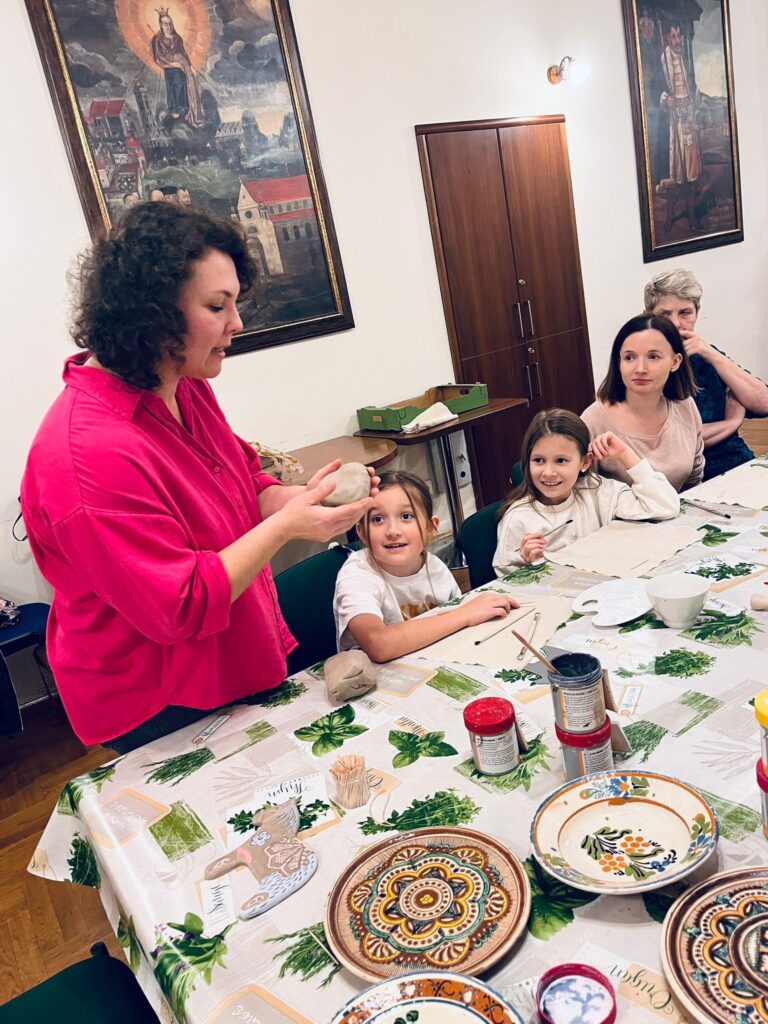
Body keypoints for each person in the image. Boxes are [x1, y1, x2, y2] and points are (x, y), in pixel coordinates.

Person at [21, 202, 375, 753]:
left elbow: (244, 482)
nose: (237, 323)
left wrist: (304, 499)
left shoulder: (181, 382)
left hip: (231, 655)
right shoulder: (87, 454)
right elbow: (179, 605)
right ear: (152, 314)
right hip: (158, 698)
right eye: (217, 306)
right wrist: (288, 527)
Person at [334, 471, 516, 662]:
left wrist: (466, 615)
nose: (393, 531)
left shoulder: (434, 566)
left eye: (406, 516)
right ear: (362, 532)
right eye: (378, 519)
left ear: (430, 527)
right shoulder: (357, 574)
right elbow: (378, 644)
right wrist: (464, 614)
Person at [493, 409, 679, 573]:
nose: (548, 472)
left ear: (585, 462)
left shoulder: (595, 490)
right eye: (539, 460)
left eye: (561, 461)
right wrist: (531, 564)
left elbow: (664, 506)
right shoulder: (518, 518)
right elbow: (505, 577)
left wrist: (625, 454)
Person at [645, 268, 768, 479]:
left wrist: (711, 354)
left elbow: (763, 403)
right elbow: (675, 441)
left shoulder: (706, 355)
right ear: (649, 317)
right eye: (665, 314)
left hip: (738, 462)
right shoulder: (643, 368)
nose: (676, 323)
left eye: (685, 313)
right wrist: (731, 423)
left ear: (697, 314)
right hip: (685, 477)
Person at [582, 314, 703, 491]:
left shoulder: (685, 406)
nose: (640, 369)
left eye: (653, 357)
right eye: (629, 357)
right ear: (619, 362)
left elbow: (694, 480)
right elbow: (582, 490)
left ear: (675, 362)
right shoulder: (593, 419)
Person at [659, 22, 702, 232]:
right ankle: (669, 219)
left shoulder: (686, 59)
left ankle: (692, 218)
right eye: (673, 36)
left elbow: (692, 87)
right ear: (668, 38)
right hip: (673, 122)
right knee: (676, 175)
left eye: (679, 36)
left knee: (691, 174)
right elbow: (655, 89)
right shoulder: (663, 59)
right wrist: (664, 99)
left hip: (688, 120)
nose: (677, 41)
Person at [151, 8, 202, 127]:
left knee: (184, 87)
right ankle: (175, 111)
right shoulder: (157, 40)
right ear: (161, 25)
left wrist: (189, 67)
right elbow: (158, 58)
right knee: (174, 88)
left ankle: (187, 111)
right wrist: (174, 64)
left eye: (170, 23)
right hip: (170, 69)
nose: (169, 26)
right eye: (165, 24)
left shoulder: (177, 38)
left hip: (183, 67)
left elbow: (183, 53)